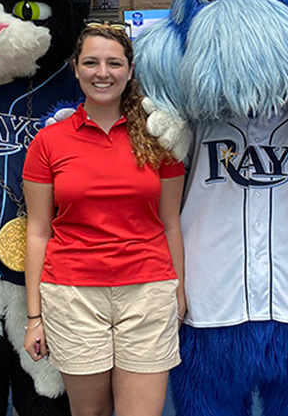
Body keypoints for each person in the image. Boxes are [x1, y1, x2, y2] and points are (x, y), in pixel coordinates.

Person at [22, 24, 186, 416]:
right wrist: (34, 316)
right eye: (91, 62)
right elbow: (38, 230)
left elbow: (171, 224)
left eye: (114, 63)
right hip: (73, 295)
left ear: (130, 70)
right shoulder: (49, 142)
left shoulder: (159, 137)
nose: (103, 72)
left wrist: (178, 291)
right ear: (76, 69)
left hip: (147, 290)